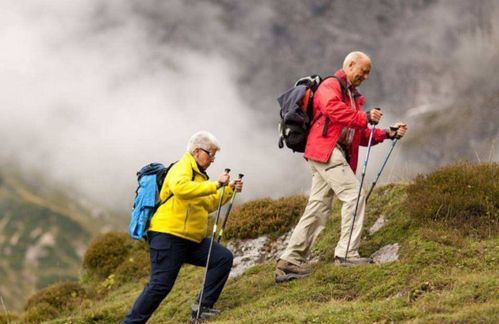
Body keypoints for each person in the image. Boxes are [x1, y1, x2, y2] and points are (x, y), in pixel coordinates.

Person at [275, 51, 407, 283]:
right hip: (327, 151)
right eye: (363, 71)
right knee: (355, 195)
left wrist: (387, 133)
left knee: (317, 208)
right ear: (350, 65)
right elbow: (332, 109)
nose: (366, 76)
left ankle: (289, 262)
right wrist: (364, 116)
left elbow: (360, 132)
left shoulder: (352, 97)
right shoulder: (331, 85)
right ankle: (346, 253)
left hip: (326, 153)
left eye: (368, 73)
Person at [124, 131, 243, 323]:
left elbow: (208, 204)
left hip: (190, 239)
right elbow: (181, 188)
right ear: (197, 151)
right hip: (168, 236)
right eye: (210, 154)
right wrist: (215, 185)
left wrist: (228, 191)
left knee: (222, 258)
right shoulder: (182, 167)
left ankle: (202, 309)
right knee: (160, 286)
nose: (212, 159)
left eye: (214, 155)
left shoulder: (200, 177)